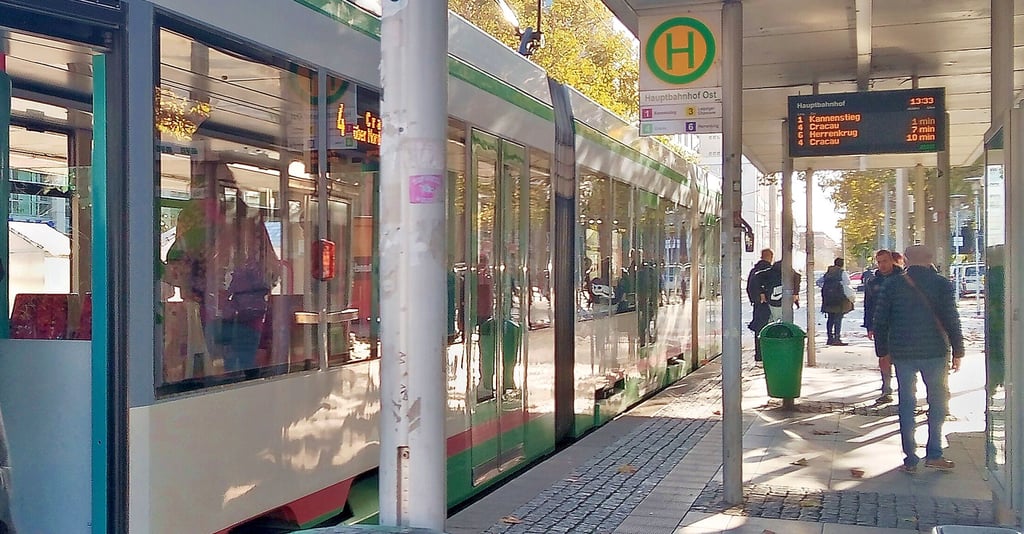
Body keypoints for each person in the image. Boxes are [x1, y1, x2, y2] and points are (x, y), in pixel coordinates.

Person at [873, 245, 964, 472]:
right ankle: (934, 453)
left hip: (903, 352)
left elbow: (880, 321)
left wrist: (882, 353)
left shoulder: (892, 284)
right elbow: (951, 318)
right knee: (937, 401)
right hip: (935, 351)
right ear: (931, 259)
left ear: (904, 260)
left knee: (907, 402)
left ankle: (910, 458)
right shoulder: (942, 284)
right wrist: (958, 350)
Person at [864, 249, 903, 404]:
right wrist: (869, 326)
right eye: (879, 262)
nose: (882, 265)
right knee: (883, 357)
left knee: (900, 358)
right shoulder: (873, 282)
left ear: (892, 260)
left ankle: (905, 389)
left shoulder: (903, 279)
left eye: (885, 261)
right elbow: (868, 305)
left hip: (900, 326)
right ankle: (886, 389)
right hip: (880, 326)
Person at [746, 248, 773, 361]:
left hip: (757, 305)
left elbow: (749, 287)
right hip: (769, 304)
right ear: (770, 257)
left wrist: (755, 300)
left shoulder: (754, 271)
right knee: (770, 328)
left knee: (759, 329)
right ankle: (767, 353)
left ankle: (759, 354)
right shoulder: (770, 270)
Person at [820, 257, 854, 345]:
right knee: (838, 319)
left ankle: (829, 338)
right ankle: (837, 338)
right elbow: (847, 284)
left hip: (828, 300)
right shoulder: (842, 273)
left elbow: (819, 282)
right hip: (839, 300)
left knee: (830, 319)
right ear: (842, 264)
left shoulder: (828, 273)